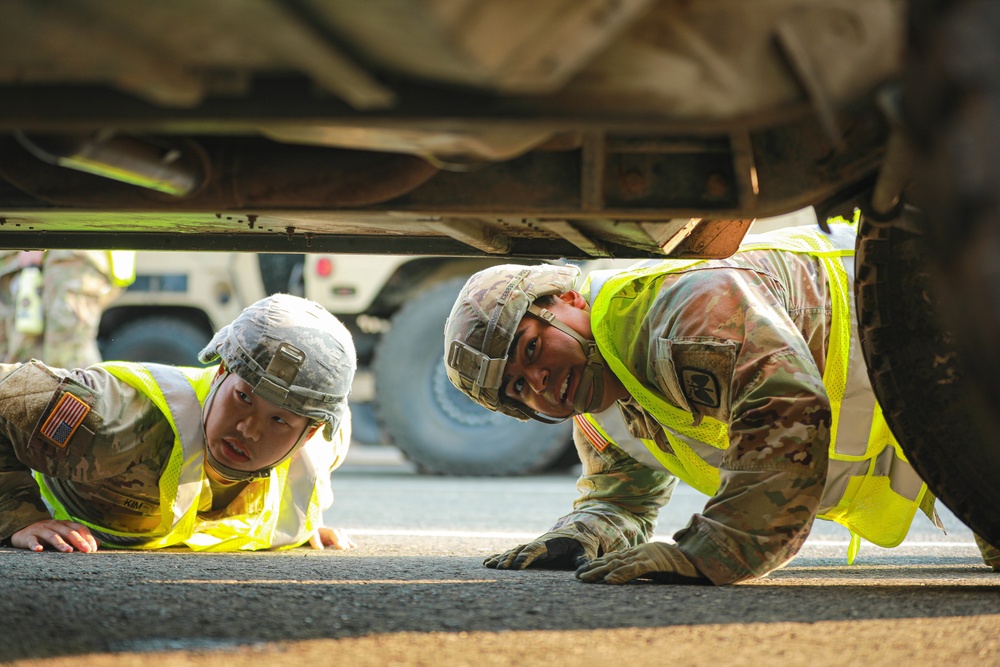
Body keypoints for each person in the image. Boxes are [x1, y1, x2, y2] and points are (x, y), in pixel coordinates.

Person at [444, 219, 999, 585]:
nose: (541, 382)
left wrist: (712, 553)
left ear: (567, 298)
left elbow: (784, 407)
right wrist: (586, 532)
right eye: (519, 387)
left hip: (968, 330)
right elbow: (623, 498)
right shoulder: (600, 405)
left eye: (534, 349)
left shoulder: (681, 310)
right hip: (949, 421)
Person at [0, 293, 358, 553]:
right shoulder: (116, 420)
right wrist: (17, 515)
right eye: (244, 398)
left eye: (279, 420)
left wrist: (301, 521)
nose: (248, 429)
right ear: (220, 373)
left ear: (309, 434)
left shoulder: (328, 440)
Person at [0, 249, 136, 368]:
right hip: (56, 256)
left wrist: (35, 244)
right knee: (28, 344)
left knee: (65, 350)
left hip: (69, 256)